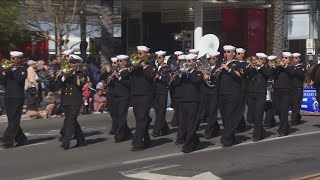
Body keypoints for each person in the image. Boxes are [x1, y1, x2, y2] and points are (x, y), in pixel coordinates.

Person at [171, 53, 203, 153]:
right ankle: (196, 142)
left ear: (194, 62)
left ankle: (188, 146)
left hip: (193, 101)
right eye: (186, 61)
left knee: (191, 124)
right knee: (184, 124)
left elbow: (195, 80)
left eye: (189, 61)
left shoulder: (198, 73)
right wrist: (178, 75)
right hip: (183, 101)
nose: (187, 63)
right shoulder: (183, 74)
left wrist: (185, 74)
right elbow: (176, 84)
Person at [214, 45, 244, 147]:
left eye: (228, 52)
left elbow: (240, 77)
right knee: (225, 117)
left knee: (230, 115)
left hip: (232, 94)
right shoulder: (221, 64)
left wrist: (228, 69)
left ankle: (226, 139)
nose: (226, 54)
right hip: (222, 94)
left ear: (234, 53)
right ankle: (231, 137)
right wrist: (216, 73)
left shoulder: (238, 64)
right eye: (225, 52)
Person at [56, 54, 87, 149]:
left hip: (75, 101)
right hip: (66, 101)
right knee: (72, 121)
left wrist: (72, 74)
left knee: (70, 121)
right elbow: (56, 85)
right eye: (70, 63)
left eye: (73, 63)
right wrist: (63, 76)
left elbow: (79, 85)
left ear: (78, 64)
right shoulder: (66, 74)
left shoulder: (81, 74)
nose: (71, 65)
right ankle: (81, 138)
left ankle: (66, 141)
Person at [130, 45, 156, 151]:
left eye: (140, 53)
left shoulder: (151, 66)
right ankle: (146, 139)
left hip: (146, 95)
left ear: (146, 55)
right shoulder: (136, 67)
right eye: (138, 53)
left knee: (141, 118)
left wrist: (144, 65)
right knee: (139, 119)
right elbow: (129, 74)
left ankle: (138, 142)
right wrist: (136, 65)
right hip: (136, 95)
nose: (138, 55)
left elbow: (150, 77)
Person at [1, 51, 28, 148]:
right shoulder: (8, 71)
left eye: (13, 58)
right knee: (12, 119)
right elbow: (2, 81)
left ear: (19, 59)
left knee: (14, 119)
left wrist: (11, 70)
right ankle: (21, 138)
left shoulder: (23, 69)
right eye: (11, 58)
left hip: (17, 97)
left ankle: (7, 140)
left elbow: (20, 79)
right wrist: (5, 72)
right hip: (8, 97)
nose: (11, 60)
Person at [246, 53, 272, 141]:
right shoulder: (252, 68)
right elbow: (246, 75)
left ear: (264, 61)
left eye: (261, 59)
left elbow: (269, 74)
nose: (258, 60)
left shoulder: (266, 68)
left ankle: (256, 135)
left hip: (261, 93)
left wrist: (261, 66)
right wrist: (249, 66)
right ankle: (261, 130)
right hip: (251, 93)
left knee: (259, 115)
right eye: (258, 58)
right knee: (251, 116)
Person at [273, 52, 294, 137]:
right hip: (277, 90)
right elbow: (273, 74)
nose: (283, 59)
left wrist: (285, 66)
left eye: (285, 58)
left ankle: (283, 130)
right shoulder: (279, 67)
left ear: (289, 60)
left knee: (284, 111)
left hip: (286, 91)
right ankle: (286, 125)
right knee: (278, 110)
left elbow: (292, 74)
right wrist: (277, 67)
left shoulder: (291, 67)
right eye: (283, 57)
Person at [112, 55, 132, 143]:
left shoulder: (127, 72)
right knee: (117, 115)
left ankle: (119, 136)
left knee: (121, 115)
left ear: (125, 62)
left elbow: (129, 84)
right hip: (116, 95)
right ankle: (127, 133)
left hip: (124, 96)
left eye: (120, 61)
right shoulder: (118, 71)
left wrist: (119, 78)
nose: (118, 63)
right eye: (118, 61)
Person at [203, 50, 221, 139]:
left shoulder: (219, 66)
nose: (211, 60)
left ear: (217, 59)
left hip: (215, 91)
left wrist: (208, 76)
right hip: (207, 91)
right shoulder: (207, 66)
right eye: (210, 58)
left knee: (213, 112)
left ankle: (208, 132)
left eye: (213, 58)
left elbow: (216, 77)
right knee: (208, 112)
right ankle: (216, 128)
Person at [152, 50, 170, 137]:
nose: (158, 59)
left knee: (161, 111)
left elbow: (167, 80)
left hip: (162, 91)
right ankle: (165, 127)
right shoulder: (155, 67)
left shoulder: (167, 67)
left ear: (163, 58)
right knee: (157, 111)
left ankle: (156, 130)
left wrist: (160, 77)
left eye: (159, 58)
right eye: (157, 58)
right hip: (155, 91)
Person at [290, 53, 306, 126]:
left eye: (296, 58)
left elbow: (300, 75)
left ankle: (293, 121)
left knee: (296, 104)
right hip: (291, 87)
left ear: (299, 59)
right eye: (293, 58)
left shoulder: (302, 67)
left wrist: (293, 68)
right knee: (292, 104)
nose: (294, 59)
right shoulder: (291, 67)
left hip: (298, 87)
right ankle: (297, 116)